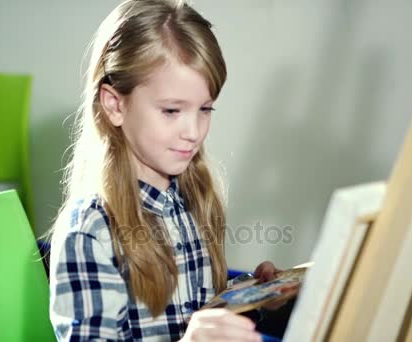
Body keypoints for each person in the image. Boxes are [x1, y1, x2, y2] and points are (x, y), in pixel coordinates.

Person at [47, 0, 282, 340]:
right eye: (172, 111)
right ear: (115, 104)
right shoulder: (90, 229)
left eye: (205, 109)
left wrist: (252, 295)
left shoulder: (190, 198)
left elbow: (191, 307)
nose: (193, 131)